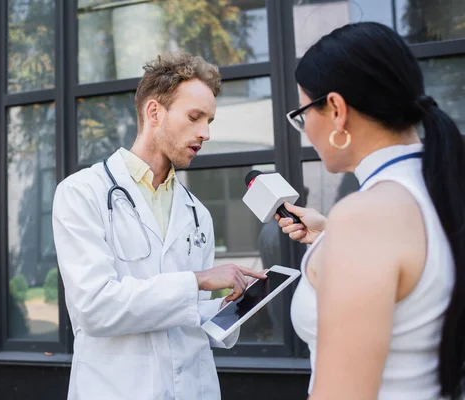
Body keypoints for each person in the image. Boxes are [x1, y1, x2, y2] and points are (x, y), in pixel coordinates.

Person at [52, 52, 266, 400]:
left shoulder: (197, 213)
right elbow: (94, 308)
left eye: (209, 120)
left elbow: (189, 313)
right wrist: (196, 281)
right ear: (154, 112)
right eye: (195, 117)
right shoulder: (81, 193)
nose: (206, 133)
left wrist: (231, 308)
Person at [278, 22, 465, 400]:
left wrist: (345, 236)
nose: (305, 131)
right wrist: (333, 239)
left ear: (335, 110)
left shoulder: (366, 217)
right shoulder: (441, 186)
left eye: (301, 115)